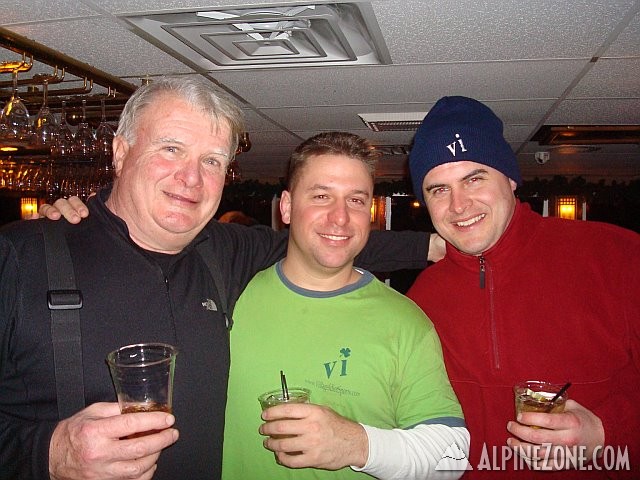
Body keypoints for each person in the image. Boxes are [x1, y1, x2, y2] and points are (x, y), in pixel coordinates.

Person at [0, 77, 439, 480]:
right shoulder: (22, 257)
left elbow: (329, 238)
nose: (191, 178)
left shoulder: (224, 251)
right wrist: (50, 453)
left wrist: (449, 246)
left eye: (211, 160)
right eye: (171, 149)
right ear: (120, 151)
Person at [405, 95, 640, 478]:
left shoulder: (617, 256)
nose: (459, 205)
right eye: (438, 189)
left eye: (474, 178)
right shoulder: (423, 297)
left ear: (511, 178)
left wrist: (605, 431)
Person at [221, 131, 469, 480]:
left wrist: (357, 445)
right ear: (288, 207)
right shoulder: (231, 297)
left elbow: (453, 456)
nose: (340, 218)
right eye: (322, 196)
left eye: (355, 200)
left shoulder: (405, 321)